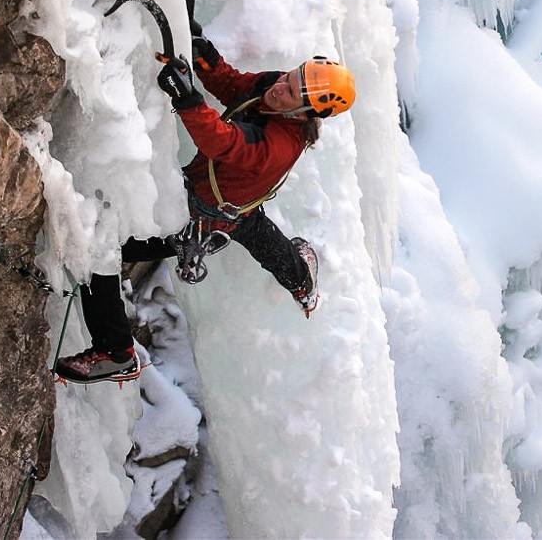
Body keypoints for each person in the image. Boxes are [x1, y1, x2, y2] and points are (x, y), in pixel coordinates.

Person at [53, 36, 357, 383]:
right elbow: (233, 86)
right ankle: (301, 277)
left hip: (195, 216)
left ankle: (115, 352)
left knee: (99, 248)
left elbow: (224, 142)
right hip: (224, 199)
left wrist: (188, 101)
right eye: (290, 75)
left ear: (305, 112)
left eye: (290, 91)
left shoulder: (279, 144)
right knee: (252, 228)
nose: (280, 86)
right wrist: (203, 55)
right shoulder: (275, 86)